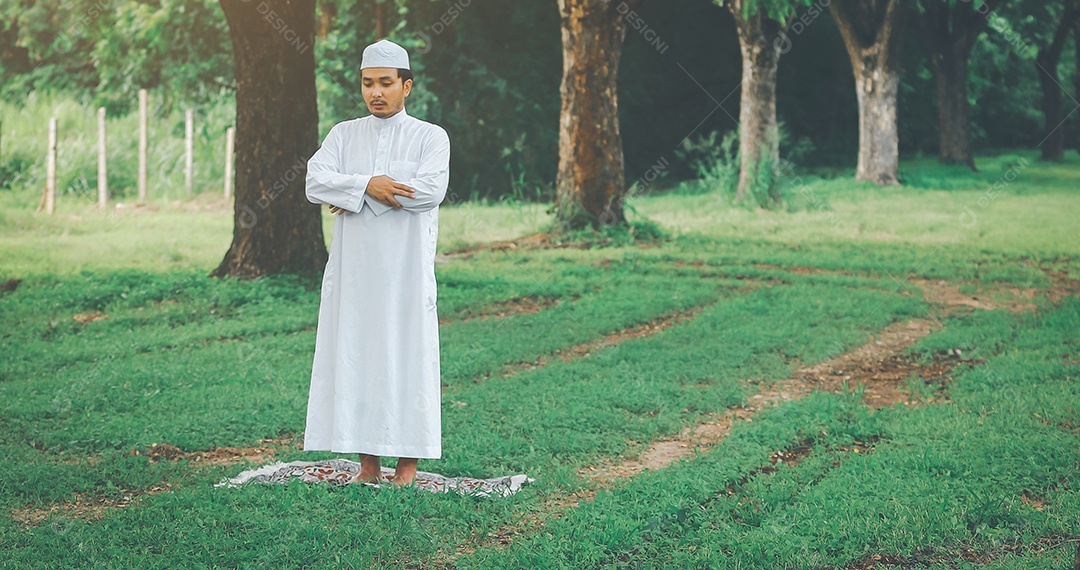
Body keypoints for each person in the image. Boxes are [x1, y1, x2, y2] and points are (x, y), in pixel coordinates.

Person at [302, 39, 450, 486]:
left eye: (386, 83)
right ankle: (368, 465)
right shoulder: (344, 134)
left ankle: (407, 465)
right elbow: (314, 181)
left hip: (405, 272)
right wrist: (368, 184)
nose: (376, 93)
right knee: (358, 355)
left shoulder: (430, 136)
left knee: (407, 356)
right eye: (368, 83)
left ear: (407, 86)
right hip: (355, 274)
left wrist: (356, 195)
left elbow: (428, 192)